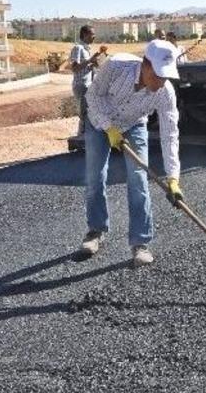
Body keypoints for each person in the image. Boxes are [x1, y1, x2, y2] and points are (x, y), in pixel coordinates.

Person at [80, 39, 185, 266]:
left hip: (134, 125)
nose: (161, 81)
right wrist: (108, 128)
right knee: (95, 177)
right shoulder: (116, 66)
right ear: (145, 65)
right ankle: (96, 231)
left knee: (138, 180)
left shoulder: (165, 92)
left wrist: (173, 178)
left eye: (166, 76)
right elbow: (92, 96)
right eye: (158, 75)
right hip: (100, 122)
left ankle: (140, 243)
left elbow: (170, 134)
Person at [69, 26, 100, 137]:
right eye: (92, 34)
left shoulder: (87, 50)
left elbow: (85, 68)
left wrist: (93, 65)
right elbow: (74, 68)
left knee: (88, 112)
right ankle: (81, 137)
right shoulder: (78, 48)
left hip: (88, 85)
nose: (94, 36)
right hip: (81, 85)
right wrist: (89, 61)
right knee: (84, 113)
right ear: (85, 35)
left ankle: (85, 136)